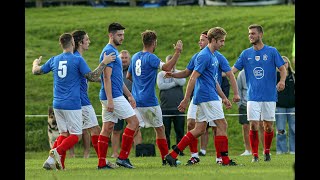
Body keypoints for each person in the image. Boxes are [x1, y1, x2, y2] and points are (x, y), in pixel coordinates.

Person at [32, 32, 116, 170]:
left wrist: (35, 62)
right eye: (87, 39)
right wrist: (104, 63)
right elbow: (92, 76)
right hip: (74, 103)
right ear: (73, 43)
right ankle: (58, 153)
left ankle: (57, 163)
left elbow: (36, 71)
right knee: (78, 135)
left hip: (57, 103)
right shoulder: (77, 60)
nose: (89, 41)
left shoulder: (54, 59)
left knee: (64, 134)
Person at [165, 27, 238, 167]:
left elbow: (212, 80)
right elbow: (192, 77)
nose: (223, 44)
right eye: (221, 41)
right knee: (222, 125)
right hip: (207, 96)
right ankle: (225, 161)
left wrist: (223, 96)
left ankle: (172, 155)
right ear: (214, 40)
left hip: (205, 96)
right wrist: (186, 99)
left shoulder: (213, 56)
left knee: (199, 129)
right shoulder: (205, 56)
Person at [127, 30, 183, 166]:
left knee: (133, 128)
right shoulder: (151, 57)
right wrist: (177, 52)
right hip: (149, 100)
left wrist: (140, 84)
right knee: (159, 128)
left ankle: (122, 156)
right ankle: (165, 159)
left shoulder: (135, 57)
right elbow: (167, 67)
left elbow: (129, 76)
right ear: (154, 43)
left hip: (136, 99)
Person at [232, 24, 287, 163]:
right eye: (249, 33)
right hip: (253, 96)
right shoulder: (246, 54)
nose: (250, 36)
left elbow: (283, 68)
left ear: (260, 35)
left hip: (269, 95)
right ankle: (255, 155)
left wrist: (282, 81)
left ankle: (267, 152)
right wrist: (220, 73)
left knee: (268, 126)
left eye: (253, 33)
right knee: (254, 125)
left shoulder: (272, 51)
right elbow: (232, 70)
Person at [97, 22, 140, 169]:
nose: (122, 38)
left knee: (107, 127)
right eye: (119, 35)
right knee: (134, 122)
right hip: (113, 96)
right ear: (111, 35)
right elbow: (107, 78)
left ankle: (102, 163)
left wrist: (129, 95)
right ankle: (123, 157)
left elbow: (118, 79)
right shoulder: (109, 52)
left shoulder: (114, 51)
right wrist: (110, 100)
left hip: (112, 95)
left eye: (123, 35)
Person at [111, 50, 143, 158]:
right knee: (116, 128)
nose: (124, 60)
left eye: (126, 58)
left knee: (136, 126)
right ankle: (115, 153)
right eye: (122, 58)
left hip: (131, 99)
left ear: (129, 59)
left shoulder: (134, 69)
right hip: (119, 99)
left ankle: (138, 152)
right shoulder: (115, 69)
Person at [157, 54, 186, 155]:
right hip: (165, 107)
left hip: (179, 107)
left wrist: (172, 74)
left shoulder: (179, 73)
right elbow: (161, 86)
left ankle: (180, 150)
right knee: (166, 132)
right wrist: (174, 83)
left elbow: (182, 82)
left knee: (179, 131)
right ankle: (166, 151)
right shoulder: (161, 74)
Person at [237, 69, 265, 156]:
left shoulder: (259, 71)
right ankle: (248, 150)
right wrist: (240, 104)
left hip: (259, 102)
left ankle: (265, 150)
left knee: (261, 125)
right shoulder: (241, 74)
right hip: (245, 104)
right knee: (246, 126)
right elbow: (239, 89)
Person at [275, 56, 295, 155]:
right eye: (282, 63)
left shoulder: (293, 76)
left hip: (292, 107)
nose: (284, 64)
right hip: (280, 107)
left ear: (289, 64)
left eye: (286, 62)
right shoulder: (275, 76)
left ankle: (293, 150)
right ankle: (281, 150)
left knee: (293, 129)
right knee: (280, 129)